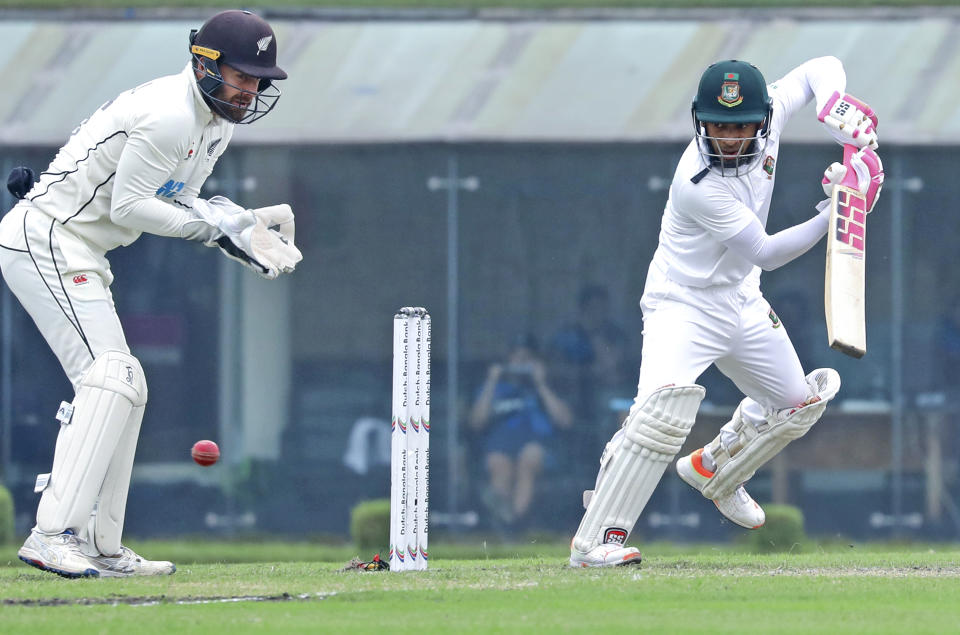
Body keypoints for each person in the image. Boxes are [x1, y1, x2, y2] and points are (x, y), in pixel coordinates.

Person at [0, 10, 301, 578]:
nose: (251, 90)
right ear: (204, 63)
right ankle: (51, 534)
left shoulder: (217, 122)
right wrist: (217, 228)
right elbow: (131, 208)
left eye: (259, 80)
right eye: (242, 76)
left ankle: (99, 546)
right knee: (110, 376)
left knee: (127, 385)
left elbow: (179, 199)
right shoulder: (167, 115)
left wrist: (234, 226)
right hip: (44, 239)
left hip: (80, 250)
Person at [569, 57, 884, 568]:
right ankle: (595, 543)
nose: (731, 137)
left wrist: (832, 107)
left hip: (741, 297)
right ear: (700, 121)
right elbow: (766, 250)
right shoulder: (696, 182)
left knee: (798, 403)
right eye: (719, 125)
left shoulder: (773, 113)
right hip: (683, 304)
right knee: (660, 414)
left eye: (741, 126)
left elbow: (821, 66)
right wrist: (837, 210)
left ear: (762, 119)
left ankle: (714, 469)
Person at [468, 334, 573, 529]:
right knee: (499, 464)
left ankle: (513, 525)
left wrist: (541, 383)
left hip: (538, 447)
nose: (521, 363)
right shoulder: (494, 388)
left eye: (527, 358)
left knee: (529, 458)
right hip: (500, 446)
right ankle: (504, 522)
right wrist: (492, 381)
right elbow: (476, 423)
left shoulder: (546, 387)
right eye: (516, 358)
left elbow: (565, 421)